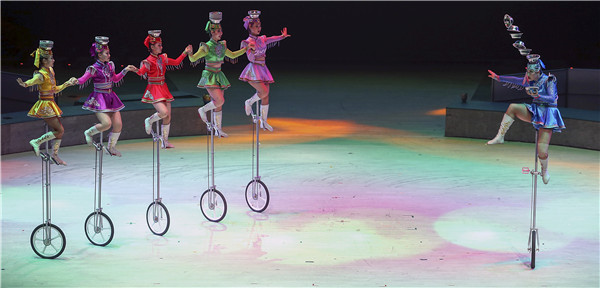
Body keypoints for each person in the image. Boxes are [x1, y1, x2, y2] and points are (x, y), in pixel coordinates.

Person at [487, 54, 566, 184]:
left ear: (538, 71)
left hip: (548, 114)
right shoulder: (530, 80)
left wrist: (538, 95)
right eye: (527, 72)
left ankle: (544, 170)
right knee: (513, 107)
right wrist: (498, 78)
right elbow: (515, 80)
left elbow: (552, 98)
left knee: (541, 151)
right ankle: (500, 136)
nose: (528, 75)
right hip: (535, 111)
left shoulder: (549, 80)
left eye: (531, 72)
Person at [192, 11, 253, 137]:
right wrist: (188, 52)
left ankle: (218, 129)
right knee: (220, 100)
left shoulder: (222, 45)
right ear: (213, 32)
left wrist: (246, 49)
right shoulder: (206, 47)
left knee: (219, 105)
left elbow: (233, 55)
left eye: (221, 30)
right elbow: (193, 59)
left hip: (219, 75)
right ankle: (202, 109)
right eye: (219, 31)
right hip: (209, 76)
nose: (221, 33)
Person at [16, 40, 77, 165]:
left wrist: (67, 84)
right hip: (45, 105)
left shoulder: (51, 72)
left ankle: (54, 155)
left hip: (51, 102)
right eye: (51, 58)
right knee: (60, 130)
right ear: (44, 61)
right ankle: (37, 142)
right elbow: (33, 81)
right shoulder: (41, 75)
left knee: (60, 130)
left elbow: (54, 89)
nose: (53, 60)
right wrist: (25, 84)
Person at [77, 36, 138, 156]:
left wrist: (125, 70)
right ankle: (89, 132)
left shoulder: (110, 65)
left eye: (109, 53)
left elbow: (115, 79)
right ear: (99, 55)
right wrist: (74, 81)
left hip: (111, 97)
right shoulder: (93, 69)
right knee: (106, 124)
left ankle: (111, 147)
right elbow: (82, 80)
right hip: (99, 98)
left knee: (118, 125)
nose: (109, 55)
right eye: (107, 53)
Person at [136, 30, 193, 148]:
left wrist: (185, 52)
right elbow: (141, 73)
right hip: (154, 88)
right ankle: (149, 120)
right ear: (152, 47)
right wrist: (135, 69)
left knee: (168, 116)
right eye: (158, 45)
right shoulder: (148, 61)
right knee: (163, 112)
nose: (161, 47)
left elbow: (177, 62)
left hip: (163, 87)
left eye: (161, 45)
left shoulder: (163, 58)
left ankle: (165, 141)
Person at [239, 10, 291, 131]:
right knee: (263, 92)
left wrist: (282, 37)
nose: (259, 28)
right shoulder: (247, 42)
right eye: (256, 26)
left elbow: (272, 39)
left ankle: (264, 122)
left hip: (263, 68)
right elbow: (250, 58)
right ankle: (249, 102)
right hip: (253, 69)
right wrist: (251, 51)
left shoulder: (262, 39)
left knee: (266, 96)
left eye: (260, 26)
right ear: (250, 27)